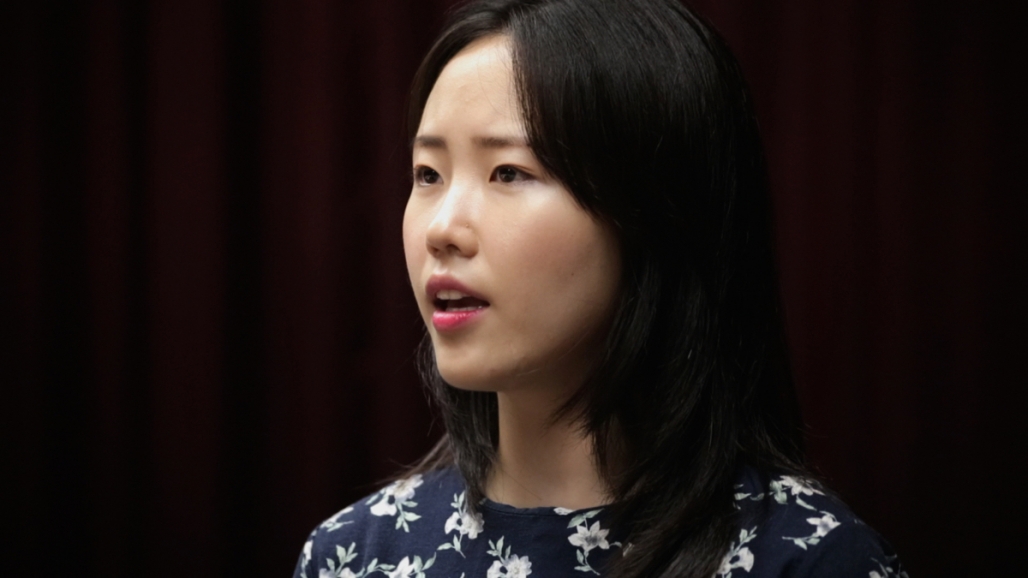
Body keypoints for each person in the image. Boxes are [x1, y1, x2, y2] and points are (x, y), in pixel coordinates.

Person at [294, 0, 905, 576]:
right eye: (427, 174)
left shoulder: (812, 558)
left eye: (509, 171)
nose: (442, 228)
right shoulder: (354, 554)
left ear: (654, 213)